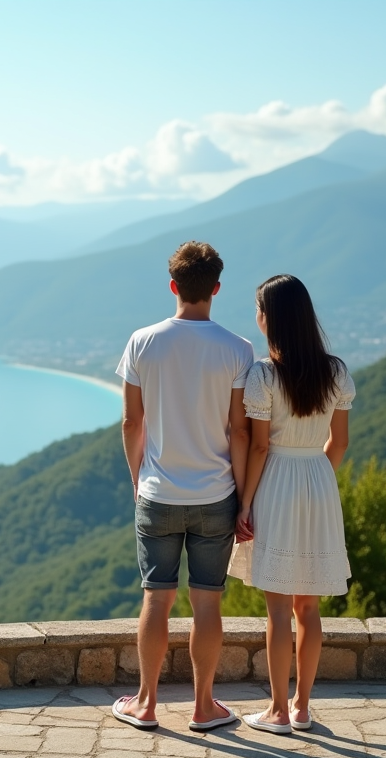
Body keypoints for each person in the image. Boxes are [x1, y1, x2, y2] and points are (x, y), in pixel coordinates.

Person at [112, 241, 255, 732]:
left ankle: (146, 704)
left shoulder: (142, 342)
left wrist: (137, 476)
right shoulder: (238, 349)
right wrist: (242, 496)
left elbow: (133, 422)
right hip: (216, 495)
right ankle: (203, 707)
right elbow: (240, 430)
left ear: (173, 286)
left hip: (156, 492)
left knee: (157, 596)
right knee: (207, 601)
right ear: (216, 289)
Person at [228, 273, 355, 734]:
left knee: (278, 609)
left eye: (258, 310)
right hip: (319, 482)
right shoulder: (336, 371)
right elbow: (338, 444)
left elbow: (259, 448)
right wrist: (316, 481)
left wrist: (245, 503)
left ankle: (278, 711)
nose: (256, 317)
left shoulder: (263, 375)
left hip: (277, 481)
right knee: (309, 607)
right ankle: (302, 707)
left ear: (270, 318)